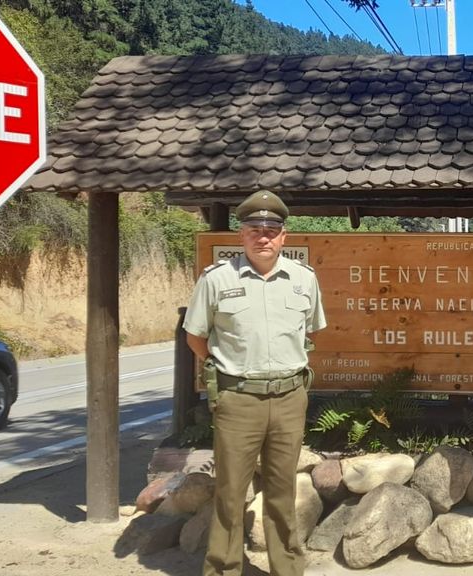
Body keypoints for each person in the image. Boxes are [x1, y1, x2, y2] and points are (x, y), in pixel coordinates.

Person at [183, 190, 326, 576]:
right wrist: (222, 367)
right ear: (241, 235)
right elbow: (196, 336)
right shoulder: (217, 279)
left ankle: (287, 569)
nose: (263, 237)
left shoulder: (303, 280)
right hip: (238, 400)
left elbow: (311, 331)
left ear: (285, 236)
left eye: (271, 230)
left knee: (282, 494)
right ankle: (223, 568)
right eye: (254, 229)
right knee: (229, 494)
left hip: (289, 398)